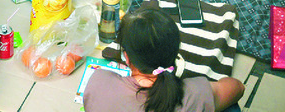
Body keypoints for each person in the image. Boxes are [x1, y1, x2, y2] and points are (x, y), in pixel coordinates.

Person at [83, 8, 244, 112]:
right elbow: (238, 88)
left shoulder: (99, 82)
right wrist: (207, 89)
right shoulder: (196, 93)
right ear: (175, 54)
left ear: (127, 57)